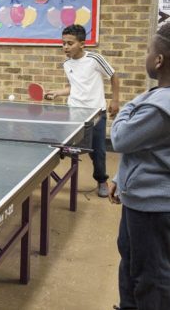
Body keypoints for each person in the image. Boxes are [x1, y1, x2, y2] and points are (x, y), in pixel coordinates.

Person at [108, 23, 170, 310]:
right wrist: (121, 177)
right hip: (140, 199)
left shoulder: (159, 107)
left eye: (147, 51)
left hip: (154, 208)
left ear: (158, 60)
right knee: (131, 261)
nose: (145, 56)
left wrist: (127, 106)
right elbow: (142, 149)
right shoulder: (156, 99)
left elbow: (121, 138)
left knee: (151, 276)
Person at [46, 24, 120, 198]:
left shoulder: (94, 59)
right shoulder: (66, 63)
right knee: (67, 147)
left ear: (82, 44)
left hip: (96, 114)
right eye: (63, 43)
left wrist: (115, 100)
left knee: (98, 151)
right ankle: (58, 175)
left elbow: (114, 76)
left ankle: (101, 180)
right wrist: (57, 92)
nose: (65, 47)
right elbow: (74, 87)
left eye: (70, 43)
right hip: (74, 112)